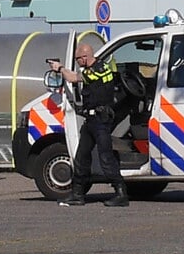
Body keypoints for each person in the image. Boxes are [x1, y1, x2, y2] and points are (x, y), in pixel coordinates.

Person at [48, 43, 128, 207]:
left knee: (106, 157)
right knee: (81, 156)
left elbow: (72, 78)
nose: (77, 62)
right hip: (91, 120)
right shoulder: (101, 67)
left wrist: (60, 68)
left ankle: (121, 193)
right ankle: (77, 194)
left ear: (85, 57)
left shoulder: (97, 69)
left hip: (100, 120)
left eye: (78, 59)